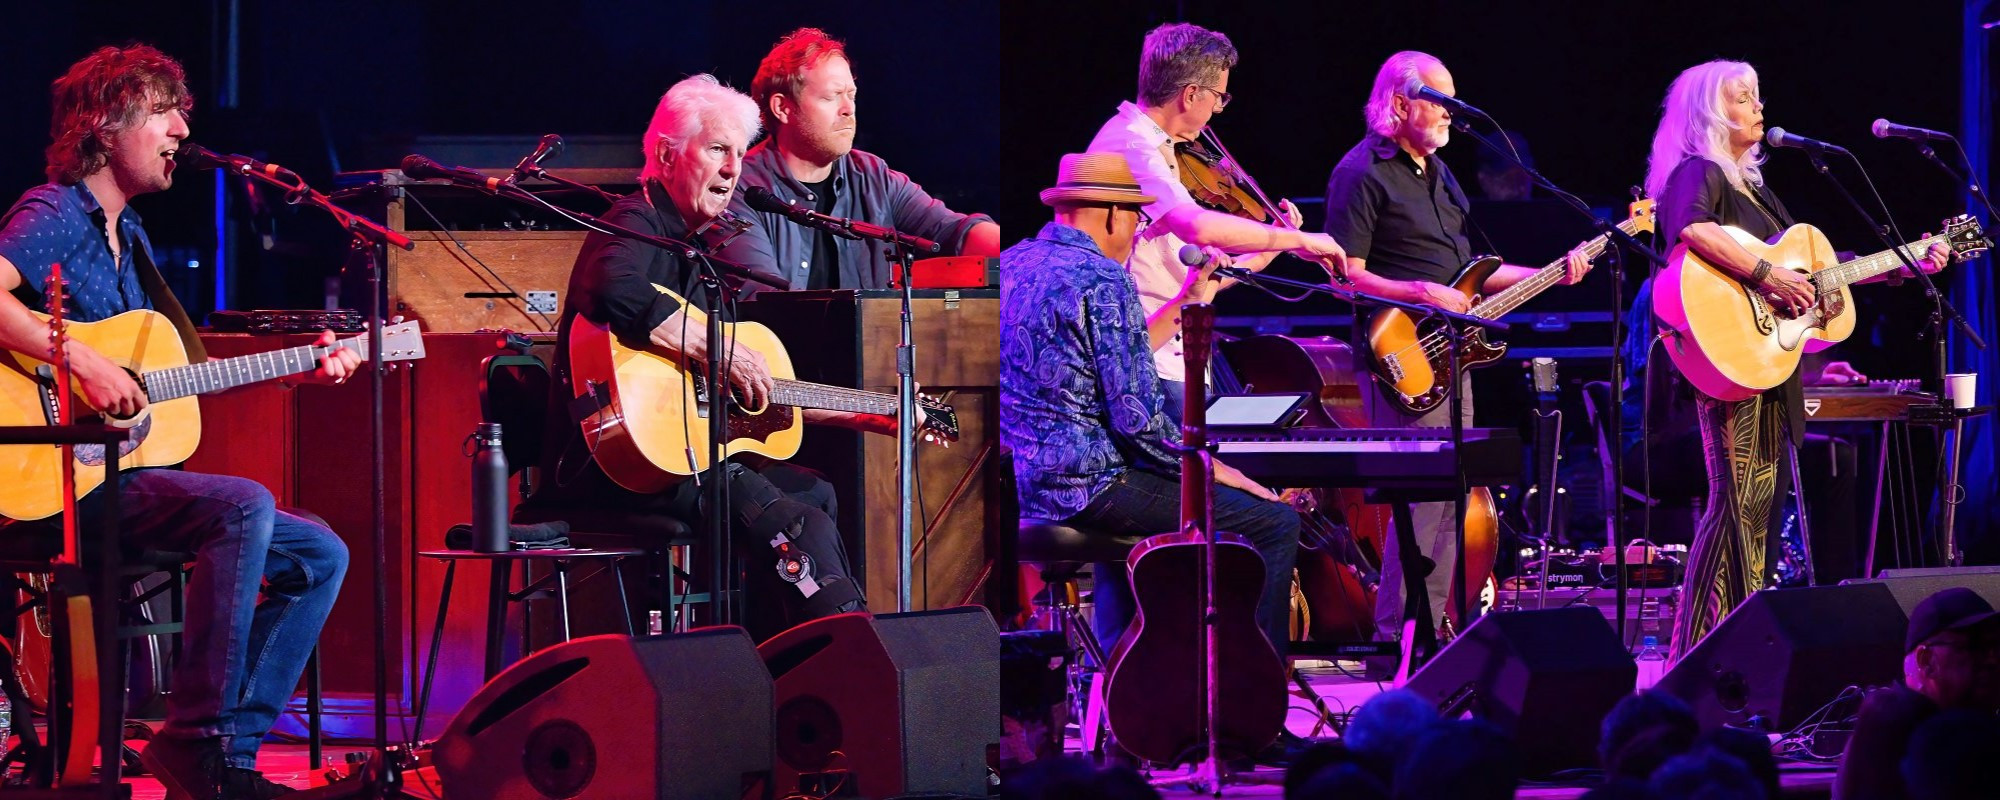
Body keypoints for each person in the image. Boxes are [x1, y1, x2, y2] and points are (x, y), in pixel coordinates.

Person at [0, 44, 355, 799]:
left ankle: (228, 751)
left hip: (113, 475)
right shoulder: (53, 212)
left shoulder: (128, 235)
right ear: (105, 124)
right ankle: (198, 743)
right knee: (242, 504)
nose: (183, 131)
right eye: (165, 112)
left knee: (320, 553)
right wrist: (79, 360)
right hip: (53, 478)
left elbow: (162, 378)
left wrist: (297, 367)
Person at [531, 75, 914, 639]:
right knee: (792, 522)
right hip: (612, 470)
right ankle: (849, 650)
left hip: (687, 458)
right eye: (717, 149)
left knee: (814, 492)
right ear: (668, 155)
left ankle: (779, 656)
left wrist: (870, 412)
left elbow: (746, 395)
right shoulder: (635, 219)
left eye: (739, 153)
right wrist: (719, 348)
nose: (734, 169)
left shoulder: (703, 249)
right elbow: (611, 286)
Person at [1633, 60, 1950, 660]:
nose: (1759, 106)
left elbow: (1813, 275)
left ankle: (1733, 655)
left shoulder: (1756, 192)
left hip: (1766, 364)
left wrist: (1902, 266)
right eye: (1743, 98)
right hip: (1726, 359)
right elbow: (1692, 230)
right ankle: (1694, 660)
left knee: (1756, 513)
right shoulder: (1699, 171)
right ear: (1709, 113)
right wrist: (1766, 273)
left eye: (1757, 96)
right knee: (1736, 509)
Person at [1322, 51, 1591, 655]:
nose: (1450, 113)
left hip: (1452, 352)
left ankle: (1433, 633)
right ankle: (1398, 642)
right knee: (1420, 504)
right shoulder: (1361, 172)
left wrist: (1553, 272)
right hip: (1401, 354)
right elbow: (1344, 277)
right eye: (1438, 101)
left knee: (1450, 499)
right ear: (1400, 104)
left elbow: (1471, 274)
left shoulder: (1440, 174)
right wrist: (1419, 292)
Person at [998, 151, 1299, 670]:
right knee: (1273, 522)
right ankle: (1253, 690)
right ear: (1115, 214)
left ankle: (1150, 675)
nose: (1136, 232)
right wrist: (1218, 472)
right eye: (1137, 220)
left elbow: (1113, 355)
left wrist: (1190, 299)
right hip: (1088, 486)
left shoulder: (1012, 263)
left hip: (1022, 485)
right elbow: (1137, 423)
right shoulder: (1102, 278)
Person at [1084, 22, 1351, 417]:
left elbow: (1197, 282)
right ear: (1191, 94)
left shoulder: (1164, 149)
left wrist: (1269, 248)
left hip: (1176, 354)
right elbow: (1198, 225)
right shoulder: (1132, 145)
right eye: (1219, 96)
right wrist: (1301, 240)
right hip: (1146, 360)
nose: (1219, 109)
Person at [723, 27, 999, 291]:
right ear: (782, 108)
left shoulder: (873, 176)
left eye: (851, 95)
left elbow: (956, 232)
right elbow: (762, 299)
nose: (848, 109)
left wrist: (1016, 251)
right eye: (832, 96)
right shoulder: (739, 186)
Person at [1836, 587, 2000, 798]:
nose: (1992, 659)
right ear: (1926, 661)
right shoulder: (1900, 735)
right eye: (1975, 647)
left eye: (1996, 646)